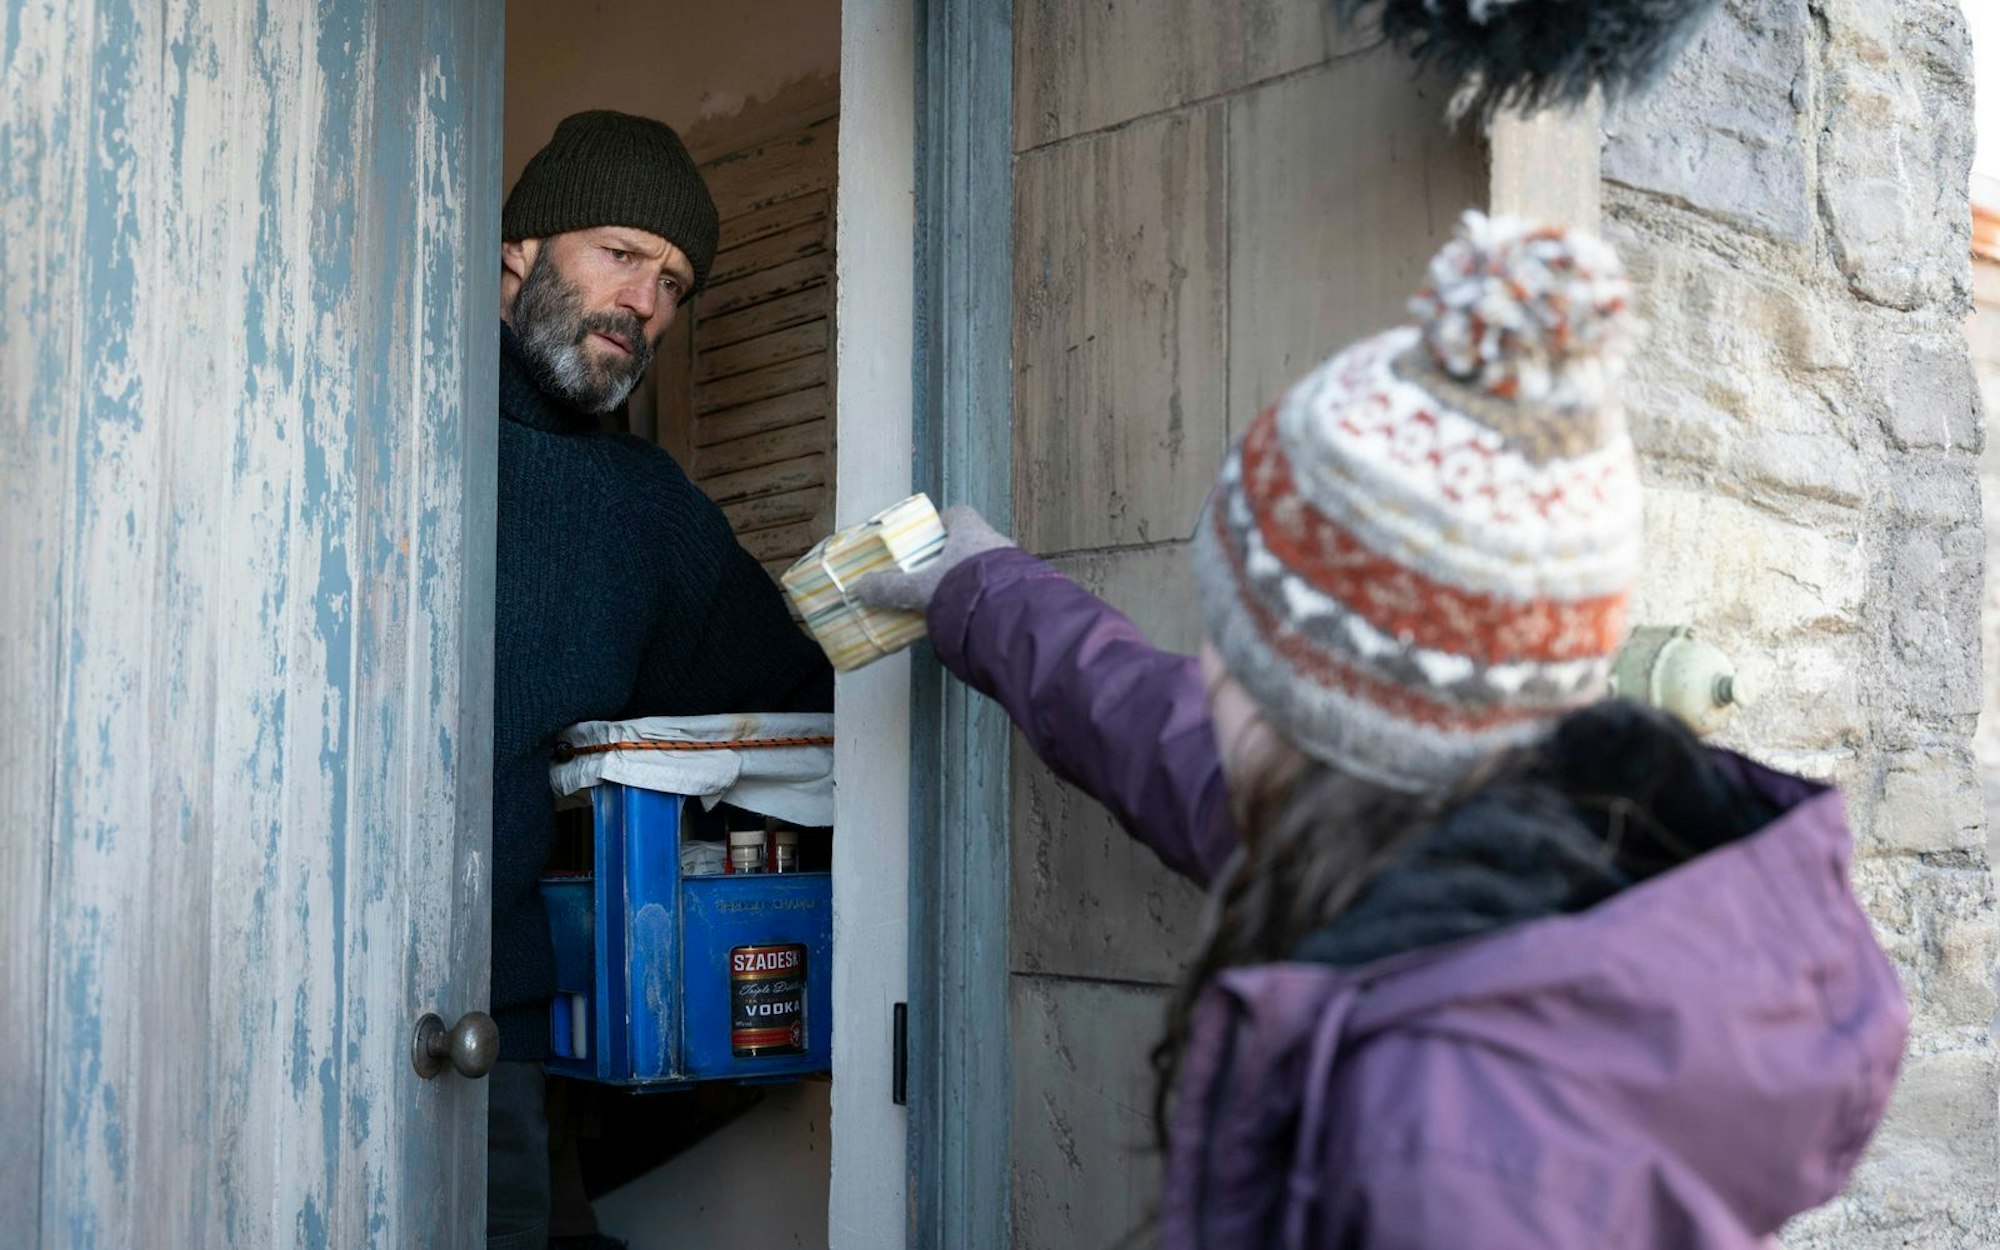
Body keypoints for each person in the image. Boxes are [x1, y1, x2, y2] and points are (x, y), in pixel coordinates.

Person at [858, 213, 1907, 1247]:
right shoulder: (1537, 860)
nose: (1209, 670)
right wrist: (983, 591)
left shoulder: (1434, 1147)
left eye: (1233, 635)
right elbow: (1154, 727)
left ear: (1314, 695)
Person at [488, 110, 833, 1250]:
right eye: (621, 253)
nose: (647, 304)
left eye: (675, 283)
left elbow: (807, 697)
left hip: (499, 1029)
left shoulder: (650, 513)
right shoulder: (367, 416)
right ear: (519, 252)